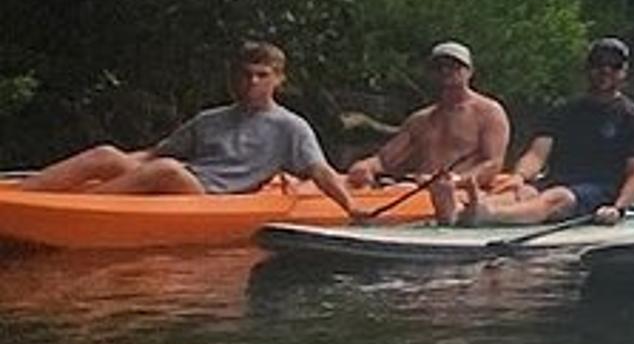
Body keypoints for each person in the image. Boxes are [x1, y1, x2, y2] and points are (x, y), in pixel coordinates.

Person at [22, 41, 359, 215]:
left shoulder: (291, 127)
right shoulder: (210, 119)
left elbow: (320, 172)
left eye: (261, 75)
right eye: (245, 75)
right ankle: (25, 196)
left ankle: (78, 209)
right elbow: (153, 154)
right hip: (184, 181)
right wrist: (115, 165)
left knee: (168, 170)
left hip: (215, 198)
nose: (251, 82)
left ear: (279, 80)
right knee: (109, 154)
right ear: (232, 78)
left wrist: (351, 208)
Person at [449, 37, 634, 226]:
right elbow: (537, 154)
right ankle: (458, 211)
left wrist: (618, 208)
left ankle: (487, 215)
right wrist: (519, 177)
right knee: (523, 191)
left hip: (601, 192)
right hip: (556, 179)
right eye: (598, 64)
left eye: (614, 66)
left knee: (557, 197)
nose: (605, 70)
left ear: (624, 72)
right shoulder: (563, 111)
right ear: (587, 69)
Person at [345, 41, 510, 196]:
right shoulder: (419, 120)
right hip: (419, 190)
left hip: (463, 192)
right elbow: (385, 160)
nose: (445, 71)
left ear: (469, 71)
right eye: (439, 67)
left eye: (454, 66)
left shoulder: (489, 113)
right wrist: (367, 166)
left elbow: (493, 163)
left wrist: (456, 181)